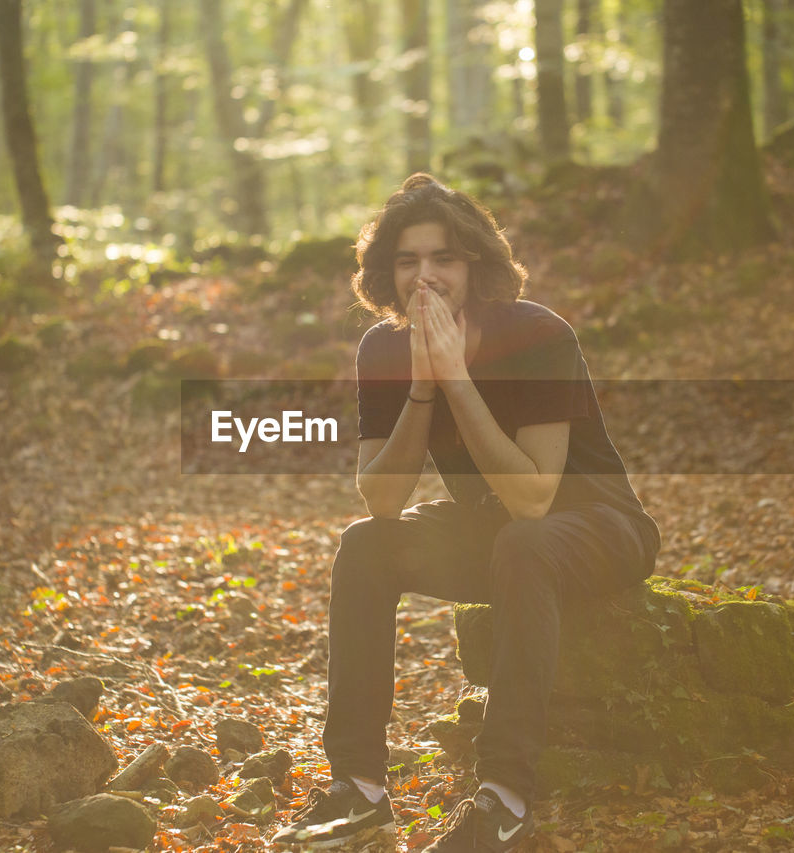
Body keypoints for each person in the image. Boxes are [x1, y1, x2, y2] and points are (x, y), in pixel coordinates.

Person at [272, 174, 661, 851]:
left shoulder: (538, 336)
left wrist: (457, 377)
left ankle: (505, 799)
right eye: (407, 259)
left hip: (599, 525)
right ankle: (358, 788)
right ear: (386, 272)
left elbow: (535, 497)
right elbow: (384, 498)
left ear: (474, 264)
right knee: (365, 545)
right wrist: (423, 387)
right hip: (495, 529)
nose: (426, 275)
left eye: (443, 258)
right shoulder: (384, 348)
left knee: (523, 541)